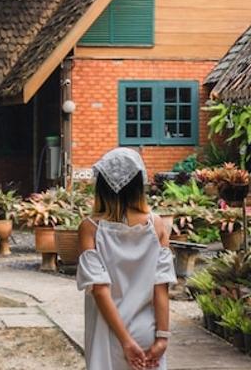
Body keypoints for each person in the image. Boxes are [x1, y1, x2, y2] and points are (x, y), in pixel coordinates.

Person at [77, 148, 176, 370]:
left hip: (108, 334)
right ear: (139, 184)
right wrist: (162, 338)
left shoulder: (90, 228)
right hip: (147, 331)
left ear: (101, 186)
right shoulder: (156, 225)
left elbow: (101, 291)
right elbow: (161, 288)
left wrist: (126, 342)